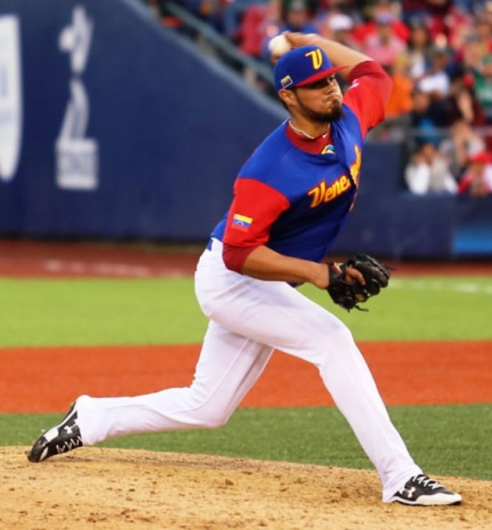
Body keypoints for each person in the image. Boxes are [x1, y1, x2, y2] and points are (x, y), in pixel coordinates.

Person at [27, 33, 462, 508]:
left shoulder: (349, 118)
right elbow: (238, 252)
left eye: (331, 80)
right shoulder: (270, 169)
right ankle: (400, 475)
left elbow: (372, 73)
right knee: (332, 339)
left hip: (264, 281)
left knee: (208, 406)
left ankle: (91, 418)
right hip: (231, 282)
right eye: (316, 85)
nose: (332, 90)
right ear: (289, 97)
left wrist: (311, 42)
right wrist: (321, 274)